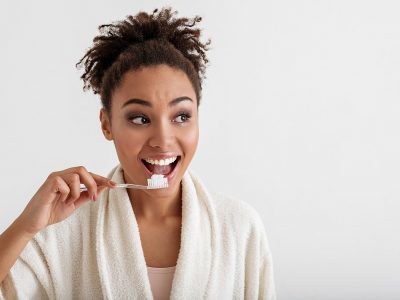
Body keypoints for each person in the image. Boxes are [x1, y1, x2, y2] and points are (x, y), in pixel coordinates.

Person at [0, 7, 276, 299]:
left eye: (181, 116)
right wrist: (26, 226)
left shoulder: (240, 228)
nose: (163, 140)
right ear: (107, 124)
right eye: (140, 119)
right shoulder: (60, 233)